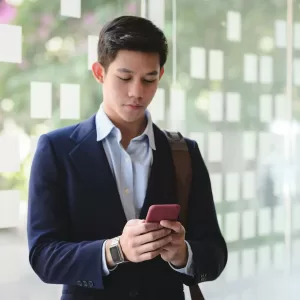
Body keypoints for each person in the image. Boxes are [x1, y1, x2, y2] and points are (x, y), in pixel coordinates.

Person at [27, 15, 227, 300]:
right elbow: (43, 256)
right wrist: (116, 250)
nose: (137, 92)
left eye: (149, 79)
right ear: (99, 72)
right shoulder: (56, 149)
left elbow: (215, 252)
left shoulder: (183, 153)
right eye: (124, 78)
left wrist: (183, 254)